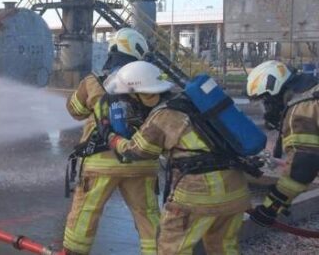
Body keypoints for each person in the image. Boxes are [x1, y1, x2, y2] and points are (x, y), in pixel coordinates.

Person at [105, 61, 251, 255]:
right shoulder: (192, 102)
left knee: (172, 249)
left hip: (197, 195)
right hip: (236, 190)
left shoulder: (163, 115)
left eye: (131, 99)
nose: (130, 105)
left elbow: (135, 151)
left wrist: (112, 137)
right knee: (224, 248)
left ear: (146, 95)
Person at [63, 28, 160, 255]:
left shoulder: (94, 80)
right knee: (148, 216)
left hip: (100, 162)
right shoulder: (151, 81)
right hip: (141, 159)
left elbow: (75, 111)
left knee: (86, 213)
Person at [246, 60, 319, 227]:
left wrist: (271, 207)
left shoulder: (300, 111)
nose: (265, 110)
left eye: (264, 102)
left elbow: (302, 167)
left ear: (273, 94)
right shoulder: (313, 94)